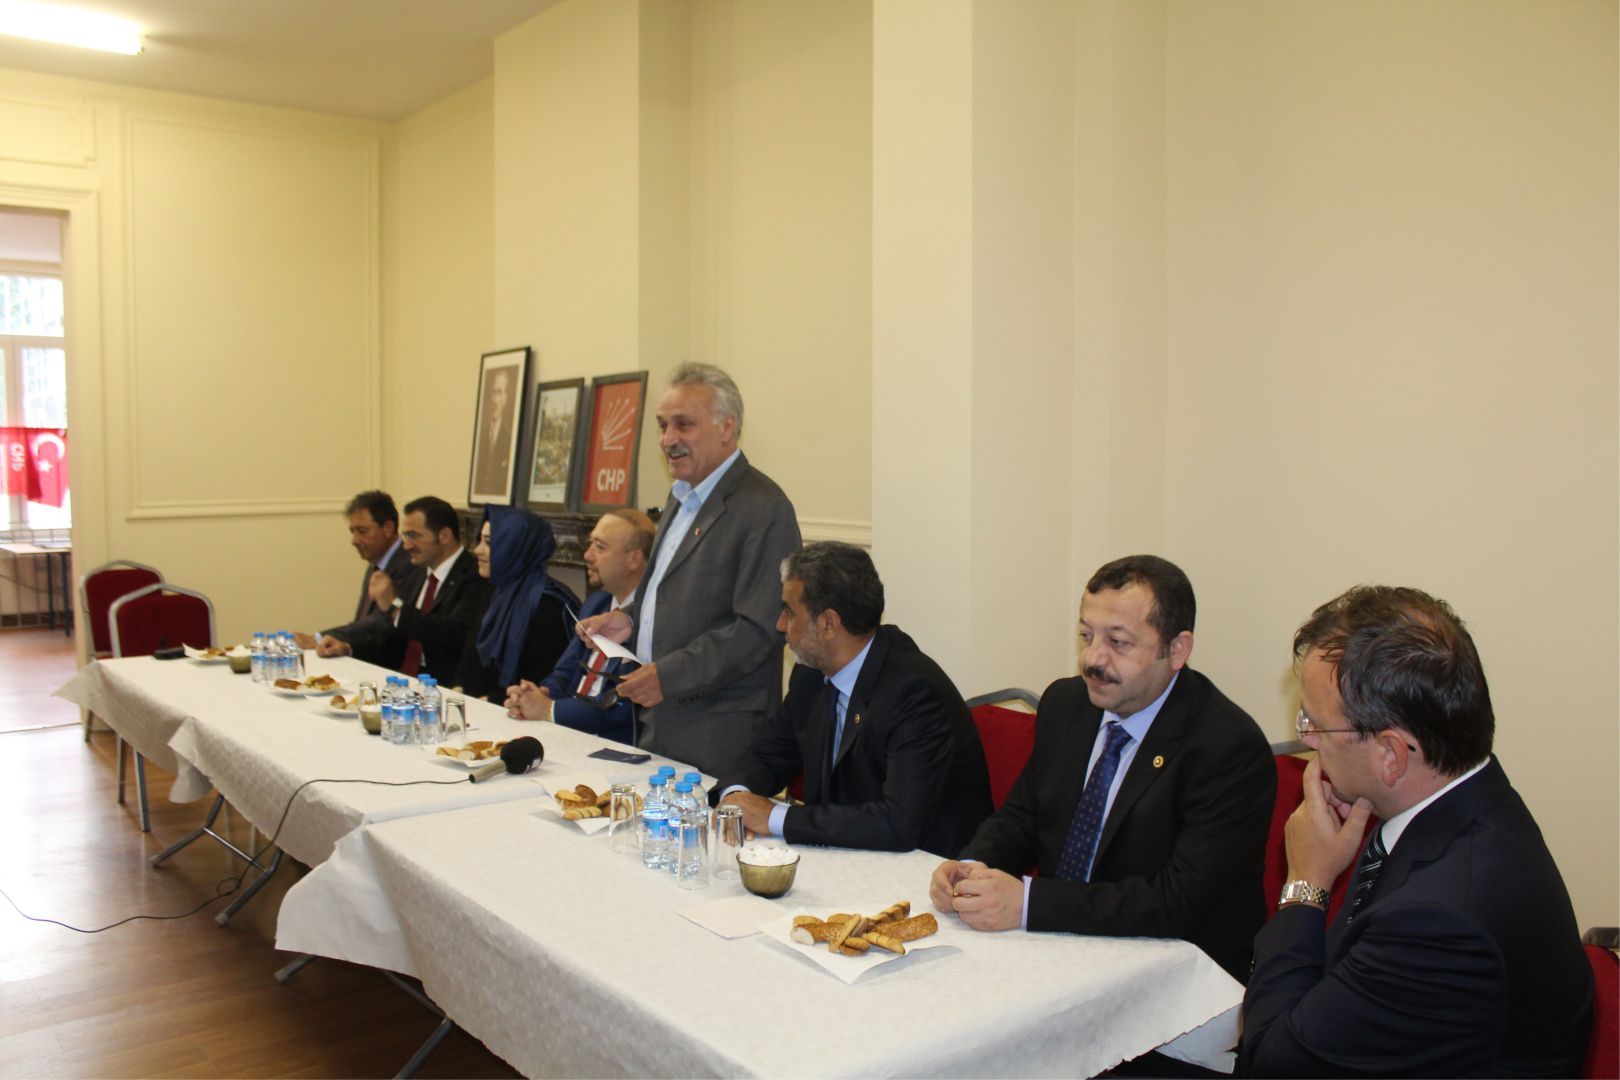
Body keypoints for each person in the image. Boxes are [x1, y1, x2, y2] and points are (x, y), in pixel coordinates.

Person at [1241, 586, 1593, 1077]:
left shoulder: (1436, 923)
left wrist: (1306, 883)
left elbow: (1271, 1063)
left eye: (1315, 725)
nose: (1305, 739)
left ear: (1391, 754)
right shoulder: (1469, 799)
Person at [929, 554, 1275, 984]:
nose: (1092, 659)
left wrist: (1029, 903)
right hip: (1061, 944)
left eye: (1118, 642)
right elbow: (1023, 816)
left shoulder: (1226, 746)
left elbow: (1178, 900)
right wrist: (972, 864)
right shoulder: (1067, 704)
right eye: (1086, 636)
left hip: (1176, 972)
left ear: (1177, 649)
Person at [577, 362, 800, 777]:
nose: (668, 439)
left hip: (721, 733)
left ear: (726, 428)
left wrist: (668, 675)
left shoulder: (764, 508)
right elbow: (673, 594)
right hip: (659, 722)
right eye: (662, 426)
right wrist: (629, 621)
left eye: (683, 424)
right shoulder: (680, 497)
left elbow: (760, 629)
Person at [712, 542, 992, 857]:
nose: (780, 625)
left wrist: (774, 817)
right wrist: (736, 798)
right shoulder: (810, 674)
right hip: (846, 853)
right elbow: (768, 754)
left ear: (828, 624)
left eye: (788, 611)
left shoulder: (913, 692)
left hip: (928, 868)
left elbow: (898, 823)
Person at [505, 507, 655, 744]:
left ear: (634, 559)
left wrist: (551, 710)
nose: (587, 555)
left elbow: (624, 706)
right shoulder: (597, 603)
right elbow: (565, 672)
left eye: (600, 547)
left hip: (613, 744)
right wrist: (538, 695)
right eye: (590, 543)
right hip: (570, 731)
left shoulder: (651, 619)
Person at [325, 495, 492, 683]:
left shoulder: (475, 576)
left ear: (444, 536)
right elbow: (389, 632)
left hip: (443, 687)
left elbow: (453, 633)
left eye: (414, 536)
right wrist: (348, 647)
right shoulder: (418, 571)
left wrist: (395, 609)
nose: (406, 545)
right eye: (405, 536)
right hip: (400, 681)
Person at [452, 506, 579, 702]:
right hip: (479, 705)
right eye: (480, 540)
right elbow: (470, 655)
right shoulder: (494, 590)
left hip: (517, 710)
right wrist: (459, 688)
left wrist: (490, 701)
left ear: (515, 547)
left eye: (489, 542)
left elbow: (543, 682)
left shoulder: (549, 605)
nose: (477, 550)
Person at [292, 490, 414, 662]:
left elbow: (382, 625)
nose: (354, 540)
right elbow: (363, 623)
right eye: (353, 532)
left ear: (388, 528)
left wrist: (318, 638)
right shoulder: (376, 564)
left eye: (362, 531)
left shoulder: (409, 564)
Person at [473, 366, 516, 497]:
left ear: (506, 398)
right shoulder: (482, 435)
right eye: (493, 393)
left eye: (499, 392)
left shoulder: (509, 437)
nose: (495, 399)